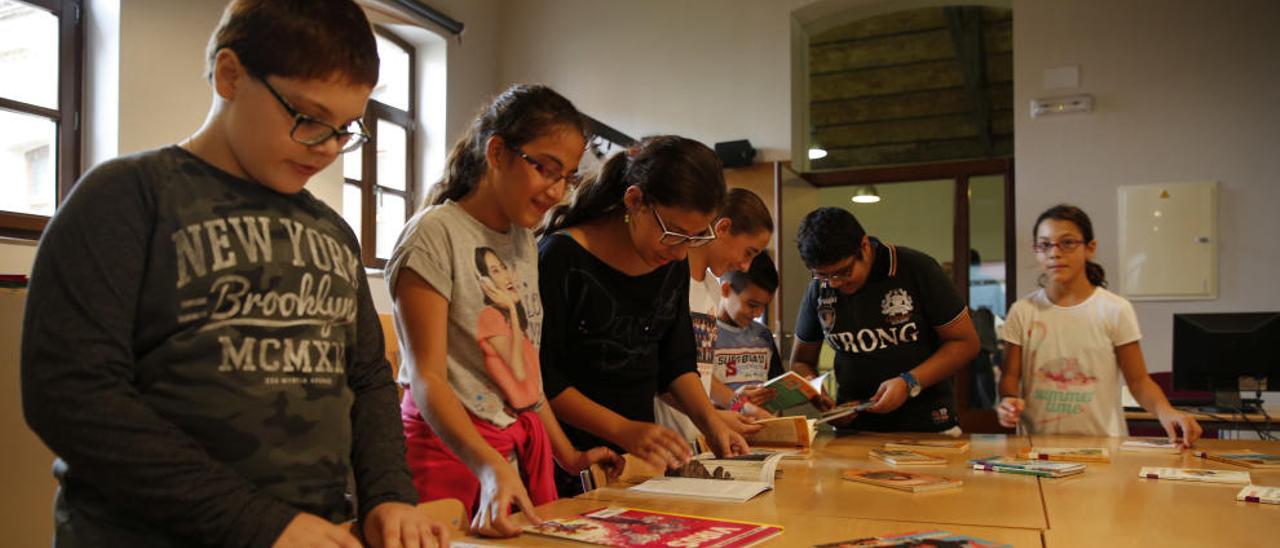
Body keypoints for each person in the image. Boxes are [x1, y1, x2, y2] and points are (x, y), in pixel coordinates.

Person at [20, 1, 446, 546]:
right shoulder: (128, 197)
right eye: (310, 120)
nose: (329, 150)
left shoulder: (334, 232)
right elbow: (71, 396)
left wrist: (389, 494)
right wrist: (260, 524)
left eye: (345, 129)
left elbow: (368, 382)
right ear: (230, 75)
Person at [386, 84, 623, 538]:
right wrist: (490, 465)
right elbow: (427, 378)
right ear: (497, 152)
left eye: (569, 177)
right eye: (547, 170)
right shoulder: (435, 234)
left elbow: (525, 376)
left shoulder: (522, 242)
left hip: (502, 459)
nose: (557, 191)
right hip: (446, 458)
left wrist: (566, 455)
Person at [537, 135, 751, 487]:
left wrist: (712, 423)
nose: (683, 252)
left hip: (636, 462)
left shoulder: (670, 262)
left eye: (696, 238)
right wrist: (622, 429)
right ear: (635, 201)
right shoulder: (562, 258)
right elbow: (544, 379)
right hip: (569, 461)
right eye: (675, 233)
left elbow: (676, 362)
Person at [996, 205, 1202, 445]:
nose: (1054, 253)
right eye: (1044, 245)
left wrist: (1166, 411)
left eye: (1067, 243)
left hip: (1104, 446)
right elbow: (1010, 376)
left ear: (1090, 248)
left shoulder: (1114, 309)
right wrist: (1008, 401)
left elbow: (1138, 381)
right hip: (1038, 448)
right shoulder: (1023, 311)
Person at [789, 207, 980, 433]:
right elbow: (800, 362)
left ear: (864, 246)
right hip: (855, 429)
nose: (835, 283)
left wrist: (909, 382)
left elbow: (966, 343)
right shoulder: (820, 289)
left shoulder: (916, 268)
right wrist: (817, 394)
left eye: (843, 272)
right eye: (822, 275)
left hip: (927, 424)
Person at [654, 188, 775, 442]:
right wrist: (714, 416)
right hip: (664, 435)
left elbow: (700, 373)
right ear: (723, 228)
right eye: (748, 252)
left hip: (697, 437)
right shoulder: (670, 279)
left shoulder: (711, 287)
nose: (745, 266)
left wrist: (737, 404)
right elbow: (662, 375)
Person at [714, 252, 787, 412]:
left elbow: (776, 390)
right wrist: (733, 401)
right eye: (752, 304)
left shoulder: (763, 335)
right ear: (726, 290)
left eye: (765, 305)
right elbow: (694, 399)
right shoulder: (705, 334)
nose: (759, 313)